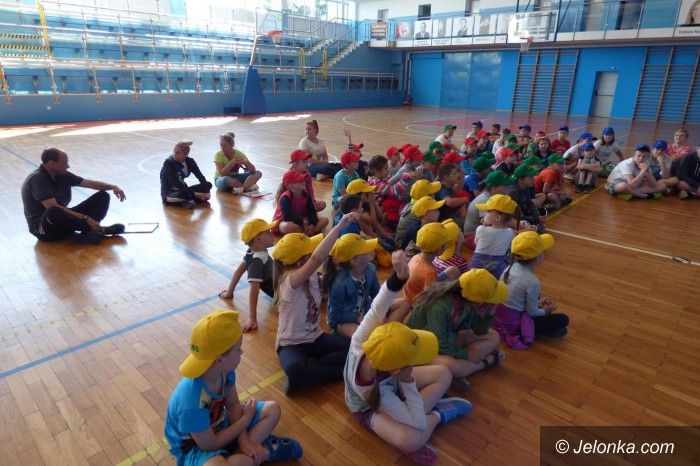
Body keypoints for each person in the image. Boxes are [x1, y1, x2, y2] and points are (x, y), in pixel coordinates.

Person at [344, 251, 472, 466]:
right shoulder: (378, 393)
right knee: (411, 438)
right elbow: (418, 423)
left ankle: (416, 405)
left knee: (443, 372)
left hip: (390, 381)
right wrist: (408, 382)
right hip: (368, 406)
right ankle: (439, 413)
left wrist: (398, 278)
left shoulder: (361, 340)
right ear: (398, 370)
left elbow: (378, 307)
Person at [164, 310, 303, 466]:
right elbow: (210, 444)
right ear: (219, 361)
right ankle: (265, 452)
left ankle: (244, 452)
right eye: (238, 349)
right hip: (195, 448)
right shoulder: (192, 403)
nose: (241, 351)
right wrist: (245, 420)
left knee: (273, 409)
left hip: (221, 426)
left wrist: (243, 439)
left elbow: (232, 405)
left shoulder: (225, 372)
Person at [270, 213, 359, 394]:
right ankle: (338, 373)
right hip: (291, 344)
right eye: (309, 251)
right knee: (294, 368)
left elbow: (320, 264)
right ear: (300, 262)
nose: (313, 251)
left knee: (353, 349)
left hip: (315, 338)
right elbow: (317, 258)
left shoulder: (312, 276)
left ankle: (308, 376)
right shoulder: (288, 281)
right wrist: (339, 227)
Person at [406, 269, 507, 391]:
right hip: (423, 347)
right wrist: (467, 354)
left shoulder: (466, 299)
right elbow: (438, 343)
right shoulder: (439, 307)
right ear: (477, 301)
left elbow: (480, 330)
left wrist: (491, 311)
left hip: (447, 337)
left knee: (494, 336)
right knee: (451, 365)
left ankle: (461, 369)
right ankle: (485, 362)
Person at [21, 147, 126, 243]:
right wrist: (86, 218)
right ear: (51, 163)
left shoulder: (62, 175)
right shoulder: (37, 179)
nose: (68, 166)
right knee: (54, 211)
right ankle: (96, 230)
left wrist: (113, 187)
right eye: (64, 163)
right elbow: (53, 207)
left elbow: (90, 183)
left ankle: (89, 232)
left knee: (102, 196)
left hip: (63, 222)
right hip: (45, 228)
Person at [493, 232, 569, 349]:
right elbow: (531, 312)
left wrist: (538, 303)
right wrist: (546, 311)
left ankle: (537, 329)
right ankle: (528, 331)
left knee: (558, 326)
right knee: (563, 320)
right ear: (538, 258)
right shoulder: (532, 281)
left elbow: (515, 299)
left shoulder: (509, 268)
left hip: (502, 315)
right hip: (514, 323)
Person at [325, 234, 410, 339]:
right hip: (345, 320)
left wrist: (381, 311)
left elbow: (377, 294)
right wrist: (357, 318)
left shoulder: (370, 269)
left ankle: (385, 332)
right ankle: (384, 333)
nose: (371, 250)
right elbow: (336, 315)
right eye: (366, 249)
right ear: (354, 260)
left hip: (365, 309)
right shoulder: (339, 283)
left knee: (405, 303)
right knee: (365, 337)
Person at [219, 219, 277, 332]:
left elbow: (238, 272)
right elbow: (254, 290)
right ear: (258, 238)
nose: (272, 234)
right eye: (268, 232)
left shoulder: (253, 252)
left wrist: (229, 292)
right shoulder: (256, 262)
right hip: (281, 291)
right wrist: (252, 319)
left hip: (281, 282)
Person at [403, 222, 456, 306]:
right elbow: (430, 297)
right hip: (417, 302)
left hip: (412, 293)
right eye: (445, 243)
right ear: (440, 250)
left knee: (453, 270)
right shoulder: (429, 272)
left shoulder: (416, 257)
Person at [470, 194, 517, 279]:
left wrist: (484, 226)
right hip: (497, 269)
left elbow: (476, 243)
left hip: (477, 268)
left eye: (488, 211)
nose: (484, 213)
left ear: (498, 217)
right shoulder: (511, 233)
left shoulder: (480, 229)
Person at [463, 170, 514, 249]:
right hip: (472, 237)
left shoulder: (492, 198)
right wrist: (521, 225)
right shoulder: (486, 200)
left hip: (483, 233)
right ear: (494, 188)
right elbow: (491, 223)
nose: (508, 189)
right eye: (505, 186)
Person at [272, 170, 329, 235]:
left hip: (301, 220)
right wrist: (303, 223)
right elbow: (288, 217)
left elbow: (312, 212)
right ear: (290, 186)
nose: (304, 182)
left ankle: (305, 232)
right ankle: (308, 232)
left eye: (303, 180)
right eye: (300, 181)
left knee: (325, 220)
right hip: (285, 222)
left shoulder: (306, 195)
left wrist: (312, 224)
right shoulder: (286, 197)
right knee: (286, 227)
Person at [160, 141, 212, 208]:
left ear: (186, 154)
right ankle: (195, 201)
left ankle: (192, 201)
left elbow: (200, 177)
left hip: (183, 189)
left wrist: (207, 192)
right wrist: (195, 194)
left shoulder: (190, 162)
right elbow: (176, 183)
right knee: (186, 194)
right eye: (174, 152)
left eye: (178, 153)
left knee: (208, 184)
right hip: (170, 193)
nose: (174, 154)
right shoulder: (168, 163)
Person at [367, 154, 411, 229]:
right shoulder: (375, 183)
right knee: (398, 201)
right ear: (375, 171)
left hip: (382, 205)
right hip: (377, 208)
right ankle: (391, 225)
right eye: (385, 168)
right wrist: (405, 177)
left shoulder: (380, 179)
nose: (388, 170)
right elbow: (395, 191)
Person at [511, 164, 546, 232]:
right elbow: (518, 216)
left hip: (523, 215)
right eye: (530, 177)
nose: (533, 179)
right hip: (512, 219)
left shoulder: (526, 187)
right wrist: (536, 219)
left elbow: (530, 204)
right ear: (521, 180)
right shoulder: (513, 192)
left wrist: (537, 217)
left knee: (540, 227)